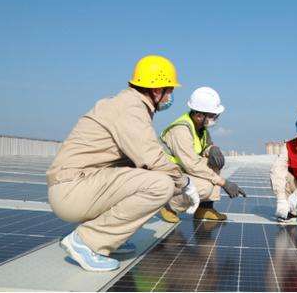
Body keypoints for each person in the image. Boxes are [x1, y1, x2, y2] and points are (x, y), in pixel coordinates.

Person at [47, 55, 199, 272]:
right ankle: (87, 241)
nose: (170, 97)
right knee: (160, 185)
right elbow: (152, 158)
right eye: (170, 90)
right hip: (72, 190)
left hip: (77, 186)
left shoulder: (128, 104)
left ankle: (108, 238)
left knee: (150, 176)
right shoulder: (131, 108)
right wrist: (184, 183)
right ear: (157, 91)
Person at [158, 86, 246, 222]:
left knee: (215, 161)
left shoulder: (201, 128)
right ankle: (169, 205)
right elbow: (191, 164)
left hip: (181, 171)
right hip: (168, 174)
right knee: (204, 188)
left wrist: (212, 149)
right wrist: (224, 183)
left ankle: (205, 208)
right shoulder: (180, 130)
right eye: (212, 115)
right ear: (199, 115)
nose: (215, 118)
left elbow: (203, 146)